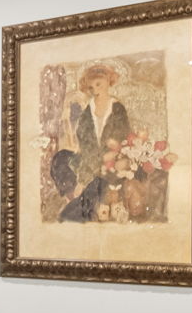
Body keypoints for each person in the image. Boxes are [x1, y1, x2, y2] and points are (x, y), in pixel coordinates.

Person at [48, 63, 131, 222]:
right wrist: (84, 172)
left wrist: (84, 179)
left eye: (98, 84)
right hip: (90, 158)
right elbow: (87, 146)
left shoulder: (117, 108)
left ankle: (77, 205)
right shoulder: (87, 112)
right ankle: (71, 195)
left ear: (108, 82)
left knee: (99, 181)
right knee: (61, 157)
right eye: (91, 87)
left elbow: (121, 139)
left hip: (112, 160)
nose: (95, 90)